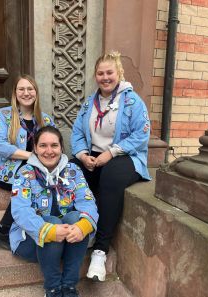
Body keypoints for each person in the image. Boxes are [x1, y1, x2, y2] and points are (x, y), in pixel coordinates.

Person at [70, 51, 151, 282]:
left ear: (119, 73)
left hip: (125, 154)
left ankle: (100, 251)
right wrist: (83, 155)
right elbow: (77, 132)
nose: (105, 77)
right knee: (72, 171)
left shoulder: (133, 102)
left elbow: (141, 136)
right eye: (100, 73)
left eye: (109, 72)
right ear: (95, 76)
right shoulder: (89, 103)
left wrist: (111, 153)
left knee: (110, 177)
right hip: (93, 155)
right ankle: (81, 227)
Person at [10, 126, 98, 297]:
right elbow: (20, 210)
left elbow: (87, 201)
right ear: (34, 148)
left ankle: (69, 286)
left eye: (54, 145)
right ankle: (52, 288)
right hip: (31, 243)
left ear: (61, 148)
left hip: (68, 240)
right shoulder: (25, 173)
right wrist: (47, 230)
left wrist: (83, 227)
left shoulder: (74, 170)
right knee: (48, 220)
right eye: (43, 145)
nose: (49, 151)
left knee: (77, 219)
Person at [0, 75, 55, 249]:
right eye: (21, 89)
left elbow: (54, 146)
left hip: (38, 170)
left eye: (30, 89)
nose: (26, 93)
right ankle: (3, 229)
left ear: (36, 93)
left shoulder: (45, 120)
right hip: (8, 172)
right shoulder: (3, 115)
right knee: (32, 179)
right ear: (15, 93)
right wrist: (30, 156)